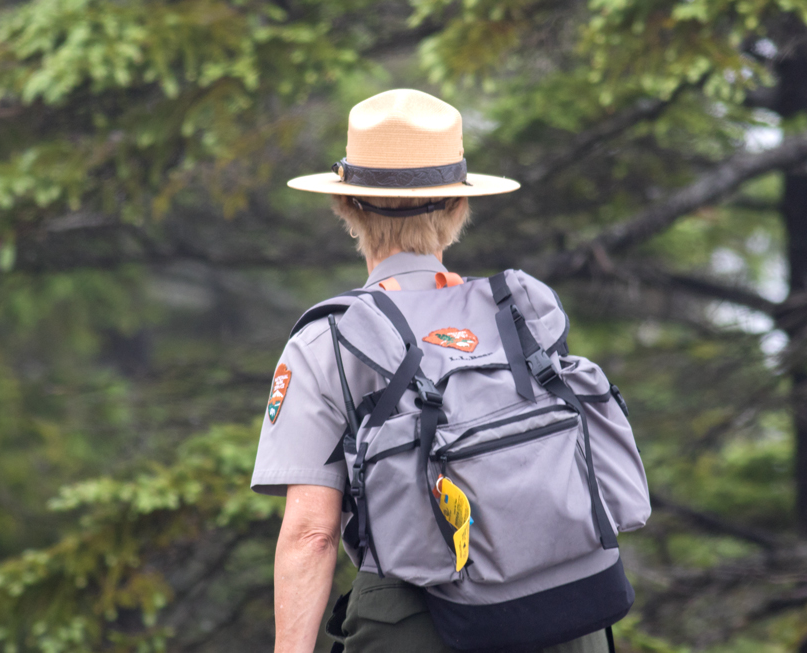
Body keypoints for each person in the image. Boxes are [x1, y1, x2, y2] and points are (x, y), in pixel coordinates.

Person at [250, 89, 612, 653]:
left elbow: (311, 534)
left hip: (421, 626)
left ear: (347, 207)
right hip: (569, 616)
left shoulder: (330, 337)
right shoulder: (520, 313)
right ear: (457, 208)